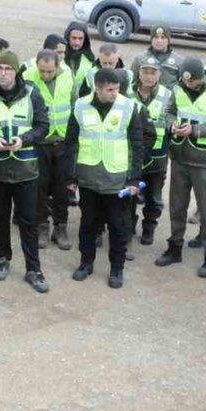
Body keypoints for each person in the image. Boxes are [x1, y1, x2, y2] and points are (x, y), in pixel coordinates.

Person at [0, 50, 50, 292]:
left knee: (28, 220)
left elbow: (42, 126)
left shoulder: (32, 93)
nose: (3, 73)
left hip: (26, 168)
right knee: (0, 218)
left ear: (16, 72)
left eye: (8, 69)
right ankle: (3, 258)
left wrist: (24, 140)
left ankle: (33, 269)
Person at [64, 68, 148, 288]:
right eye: (110, 90)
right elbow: (71, 142)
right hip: (88, 177)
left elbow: (137, 146)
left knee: (119, 227)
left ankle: (117, 269)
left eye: (117, 89)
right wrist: (70, 176)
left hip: (117, 180)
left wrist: (133, 179)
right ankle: (86, 263)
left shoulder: (128, 107)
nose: (114, 93)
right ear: (97, 88)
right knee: (88, 224)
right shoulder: (81, 106)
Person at [156, 58, 206, 277]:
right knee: (177, 207)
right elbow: (168, 113)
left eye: (193, 83)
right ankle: (175, 247)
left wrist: (196, 130)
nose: (188, 86)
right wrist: (172, 124)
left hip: (204, 161)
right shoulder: (178, 87)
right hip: (179, 157)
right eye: (186, 82)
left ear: (202, 78)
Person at [23, 48, 75, 251]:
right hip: (39, 142)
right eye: (42, 71)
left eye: (50, 71)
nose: (45, 75)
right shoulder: (27, 77)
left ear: (57, 66)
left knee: (63, 186)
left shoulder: (67, 74)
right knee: (39, 186)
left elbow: (74, 103)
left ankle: (60, 227)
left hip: (62, 141)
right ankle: (42, 225)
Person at [131, 55, 172, 246]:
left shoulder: (168, 95)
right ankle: (128, 227)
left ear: (159, 74)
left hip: (157, 158)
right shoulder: (127, 93)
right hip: (133, 157)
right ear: (138, 73)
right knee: (129, 196)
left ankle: (149, 227)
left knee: (154, 197)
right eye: (145, 71)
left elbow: (173, 121)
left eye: (153, 72)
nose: (148, 76)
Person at [134, 25, 183, 90]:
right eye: (156, 37)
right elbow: (132, 81)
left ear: (168, 40)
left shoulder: (178, 61)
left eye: (163, 37)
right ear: (151, 39)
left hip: (169, 98)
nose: (159, 41)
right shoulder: (140, 59)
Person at [62, 22, 96, 92]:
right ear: (68, 38)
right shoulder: (58, 56)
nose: (77, 42)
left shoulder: (90, 60)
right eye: (74, 38)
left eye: (80, 39)